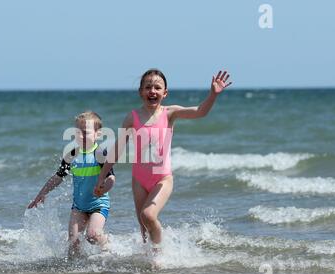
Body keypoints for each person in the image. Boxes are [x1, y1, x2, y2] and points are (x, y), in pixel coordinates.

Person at [94, 69, 232, 252]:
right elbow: (117, 151)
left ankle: (161, 255)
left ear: (165, 93)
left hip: (163, 179)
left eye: (157, 87)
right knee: (144, 229)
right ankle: (149, 267)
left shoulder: (170, 113)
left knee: (148, 215)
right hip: (139, 180)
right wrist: (101, 177)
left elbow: (200, 112)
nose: (152, 91)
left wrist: (213, 95)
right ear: (140, 92)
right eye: (148, 87)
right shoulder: (132, 118)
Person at [28, 111, 116, 258]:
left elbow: (111, 178)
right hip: (79, 206)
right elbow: (58, 177)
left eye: (85, 132)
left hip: (99, 204)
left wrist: (104, 188)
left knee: (92, 235)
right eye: (77, 132)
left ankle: (107, 244)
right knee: (73, 244)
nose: (80, 136)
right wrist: (41, 194)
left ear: (97, 135)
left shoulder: (100, 154)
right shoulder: (71, 155)